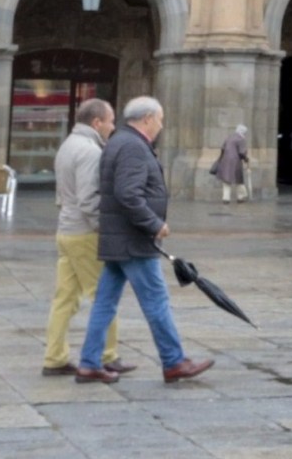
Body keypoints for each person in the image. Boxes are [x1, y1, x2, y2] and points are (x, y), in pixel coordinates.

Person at [77, 97, 213, 384]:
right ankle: (174, 361)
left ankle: (89, 363)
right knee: (156, 300)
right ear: (148, 118)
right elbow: (128, 193)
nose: (161, 125)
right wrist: (155, 224)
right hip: (133, 240)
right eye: (160, 119)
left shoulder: (120, 141)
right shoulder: (132, 146)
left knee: (105, 302)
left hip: (119, 239)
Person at [42, 99, 131, 376]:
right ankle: (107, 355)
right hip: (84, 233)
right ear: (97, 123)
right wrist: (103, 229)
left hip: (66, 230)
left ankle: (54, 357)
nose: (113, 127)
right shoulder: (90, 151)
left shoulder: (68, 145)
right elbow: (89, 199)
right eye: (111, 121)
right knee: (103, 295)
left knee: (64, 298)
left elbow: (62, 194)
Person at [212, 124, 250, 204]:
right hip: (235, 162)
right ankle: (241, 197)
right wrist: (246, 159)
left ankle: (226, 198)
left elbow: (222, 148)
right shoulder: (241, 139)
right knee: (239, 180)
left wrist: (222, 158)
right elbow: (242, 152)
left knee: (226, 180)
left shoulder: (229, 137)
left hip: (225, 161)